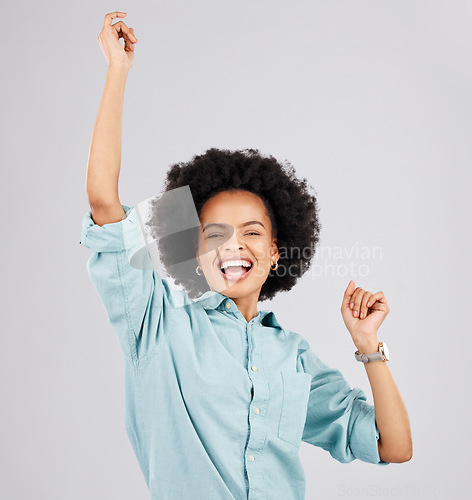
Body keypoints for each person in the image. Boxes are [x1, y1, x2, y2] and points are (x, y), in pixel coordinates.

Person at [79, 11, 412, 500]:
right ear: (193, 254)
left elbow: (393, 446)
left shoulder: (292, 355)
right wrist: (117, 71)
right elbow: (104, 204)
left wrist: (367, 345)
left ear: (275, 253)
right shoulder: (159, 322)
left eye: (252, 233)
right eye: (213, 234)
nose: (233, 245)